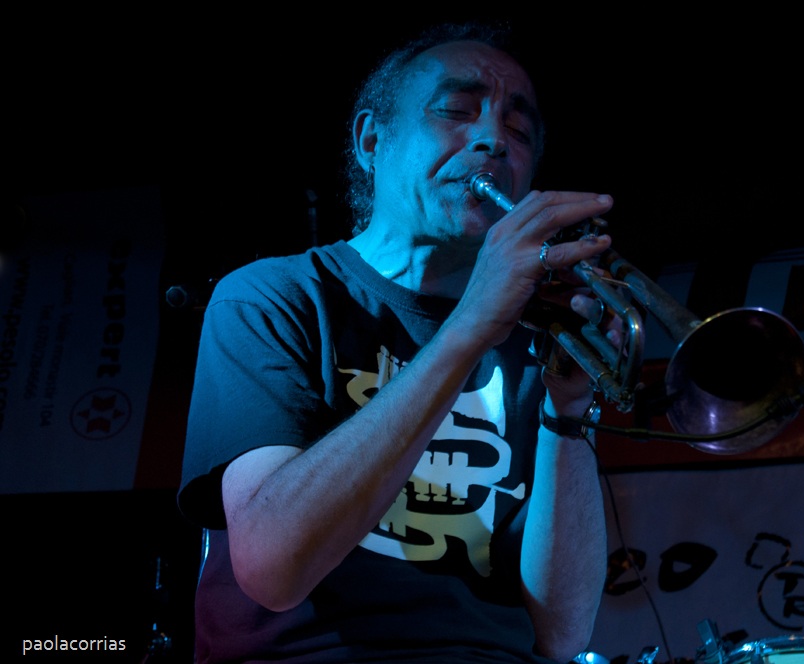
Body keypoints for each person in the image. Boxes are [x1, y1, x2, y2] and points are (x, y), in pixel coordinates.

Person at [177, 21, 616, 664]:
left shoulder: (535, 338)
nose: (494, 140)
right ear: (371, 141)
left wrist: (567, 414)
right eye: (456, 111)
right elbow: (273, 569)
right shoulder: (274, 296)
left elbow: (563, 636)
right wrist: (472, 324)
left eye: (519, 131)